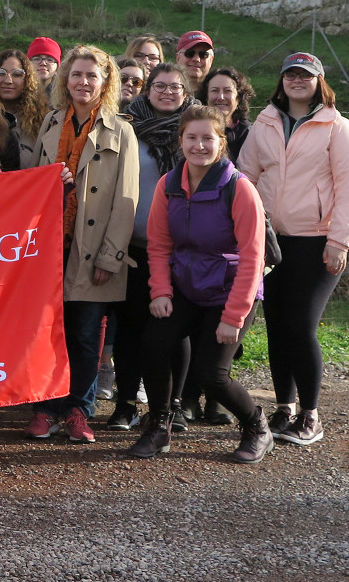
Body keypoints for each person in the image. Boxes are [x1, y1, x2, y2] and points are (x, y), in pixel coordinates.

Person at [128, 105, 272, 463]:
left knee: (212, 374)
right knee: (155, 343)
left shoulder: (239, 189)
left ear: (221, 143)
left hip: (231, 290)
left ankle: (257, 427)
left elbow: (253, 259)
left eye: (208, 138)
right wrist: (160, 291)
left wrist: (234, 317)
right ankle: (160, 425)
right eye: (191, 138)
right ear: (181, 141)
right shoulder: (169, 185)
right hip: (187, 285)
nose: (199, 145)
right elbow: (159, 244)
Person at [238, 53, 349, 447]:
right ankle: (284, 407)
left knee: (302, 326)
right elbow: (246, 175)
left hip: (317, 241)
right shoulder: (265, 122)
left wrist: (339, 242)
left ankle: (310, 414)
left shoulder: (337, 127)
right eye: (291, 74)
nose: (297, 81)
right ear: (281, 81)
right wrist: (247, 230)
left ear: (319, 82)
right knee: (276, 326)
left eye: (305, 76)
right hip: (272, 241)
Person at [24, 45, 138, 444]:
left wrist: (111, 255)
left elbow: (127, 202)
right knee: (46, 333)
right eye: (76, 75)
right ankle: (46, 407)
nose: (83, 82)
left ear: (106, 82)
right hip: (50, 248)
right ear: (64, 79)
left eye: (92, 75)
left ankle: (78, 410)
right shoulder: (52, 122)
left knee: (87, 337)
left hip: (92, 252)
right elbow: (31, 184)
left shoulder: (122, 131)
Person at [110, 62, 198, 432]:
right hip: (133, 245)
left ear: (185, 92)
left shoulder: (194, 132)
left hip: (180, 250)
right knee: (130, 327)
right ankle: (126, 403)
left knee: (174, 328)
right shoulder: (127, 127)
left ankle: (173, 404)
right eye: (158, 85)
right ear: (146, 90)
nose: (166, 92)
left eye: (175, 87)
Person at [0, 49, 47, 163]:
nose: (8, 80)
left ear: (28, 80)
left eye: (17, 74)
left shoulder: (43, 121)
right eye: (1, 73)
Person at [199, 67, 256, 162]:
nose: (221, 97)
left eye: (227, 91)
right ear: (206, 97)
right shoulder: (195, 131)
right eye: (215, 90)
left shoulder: (251, 134)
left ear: (238, 98)